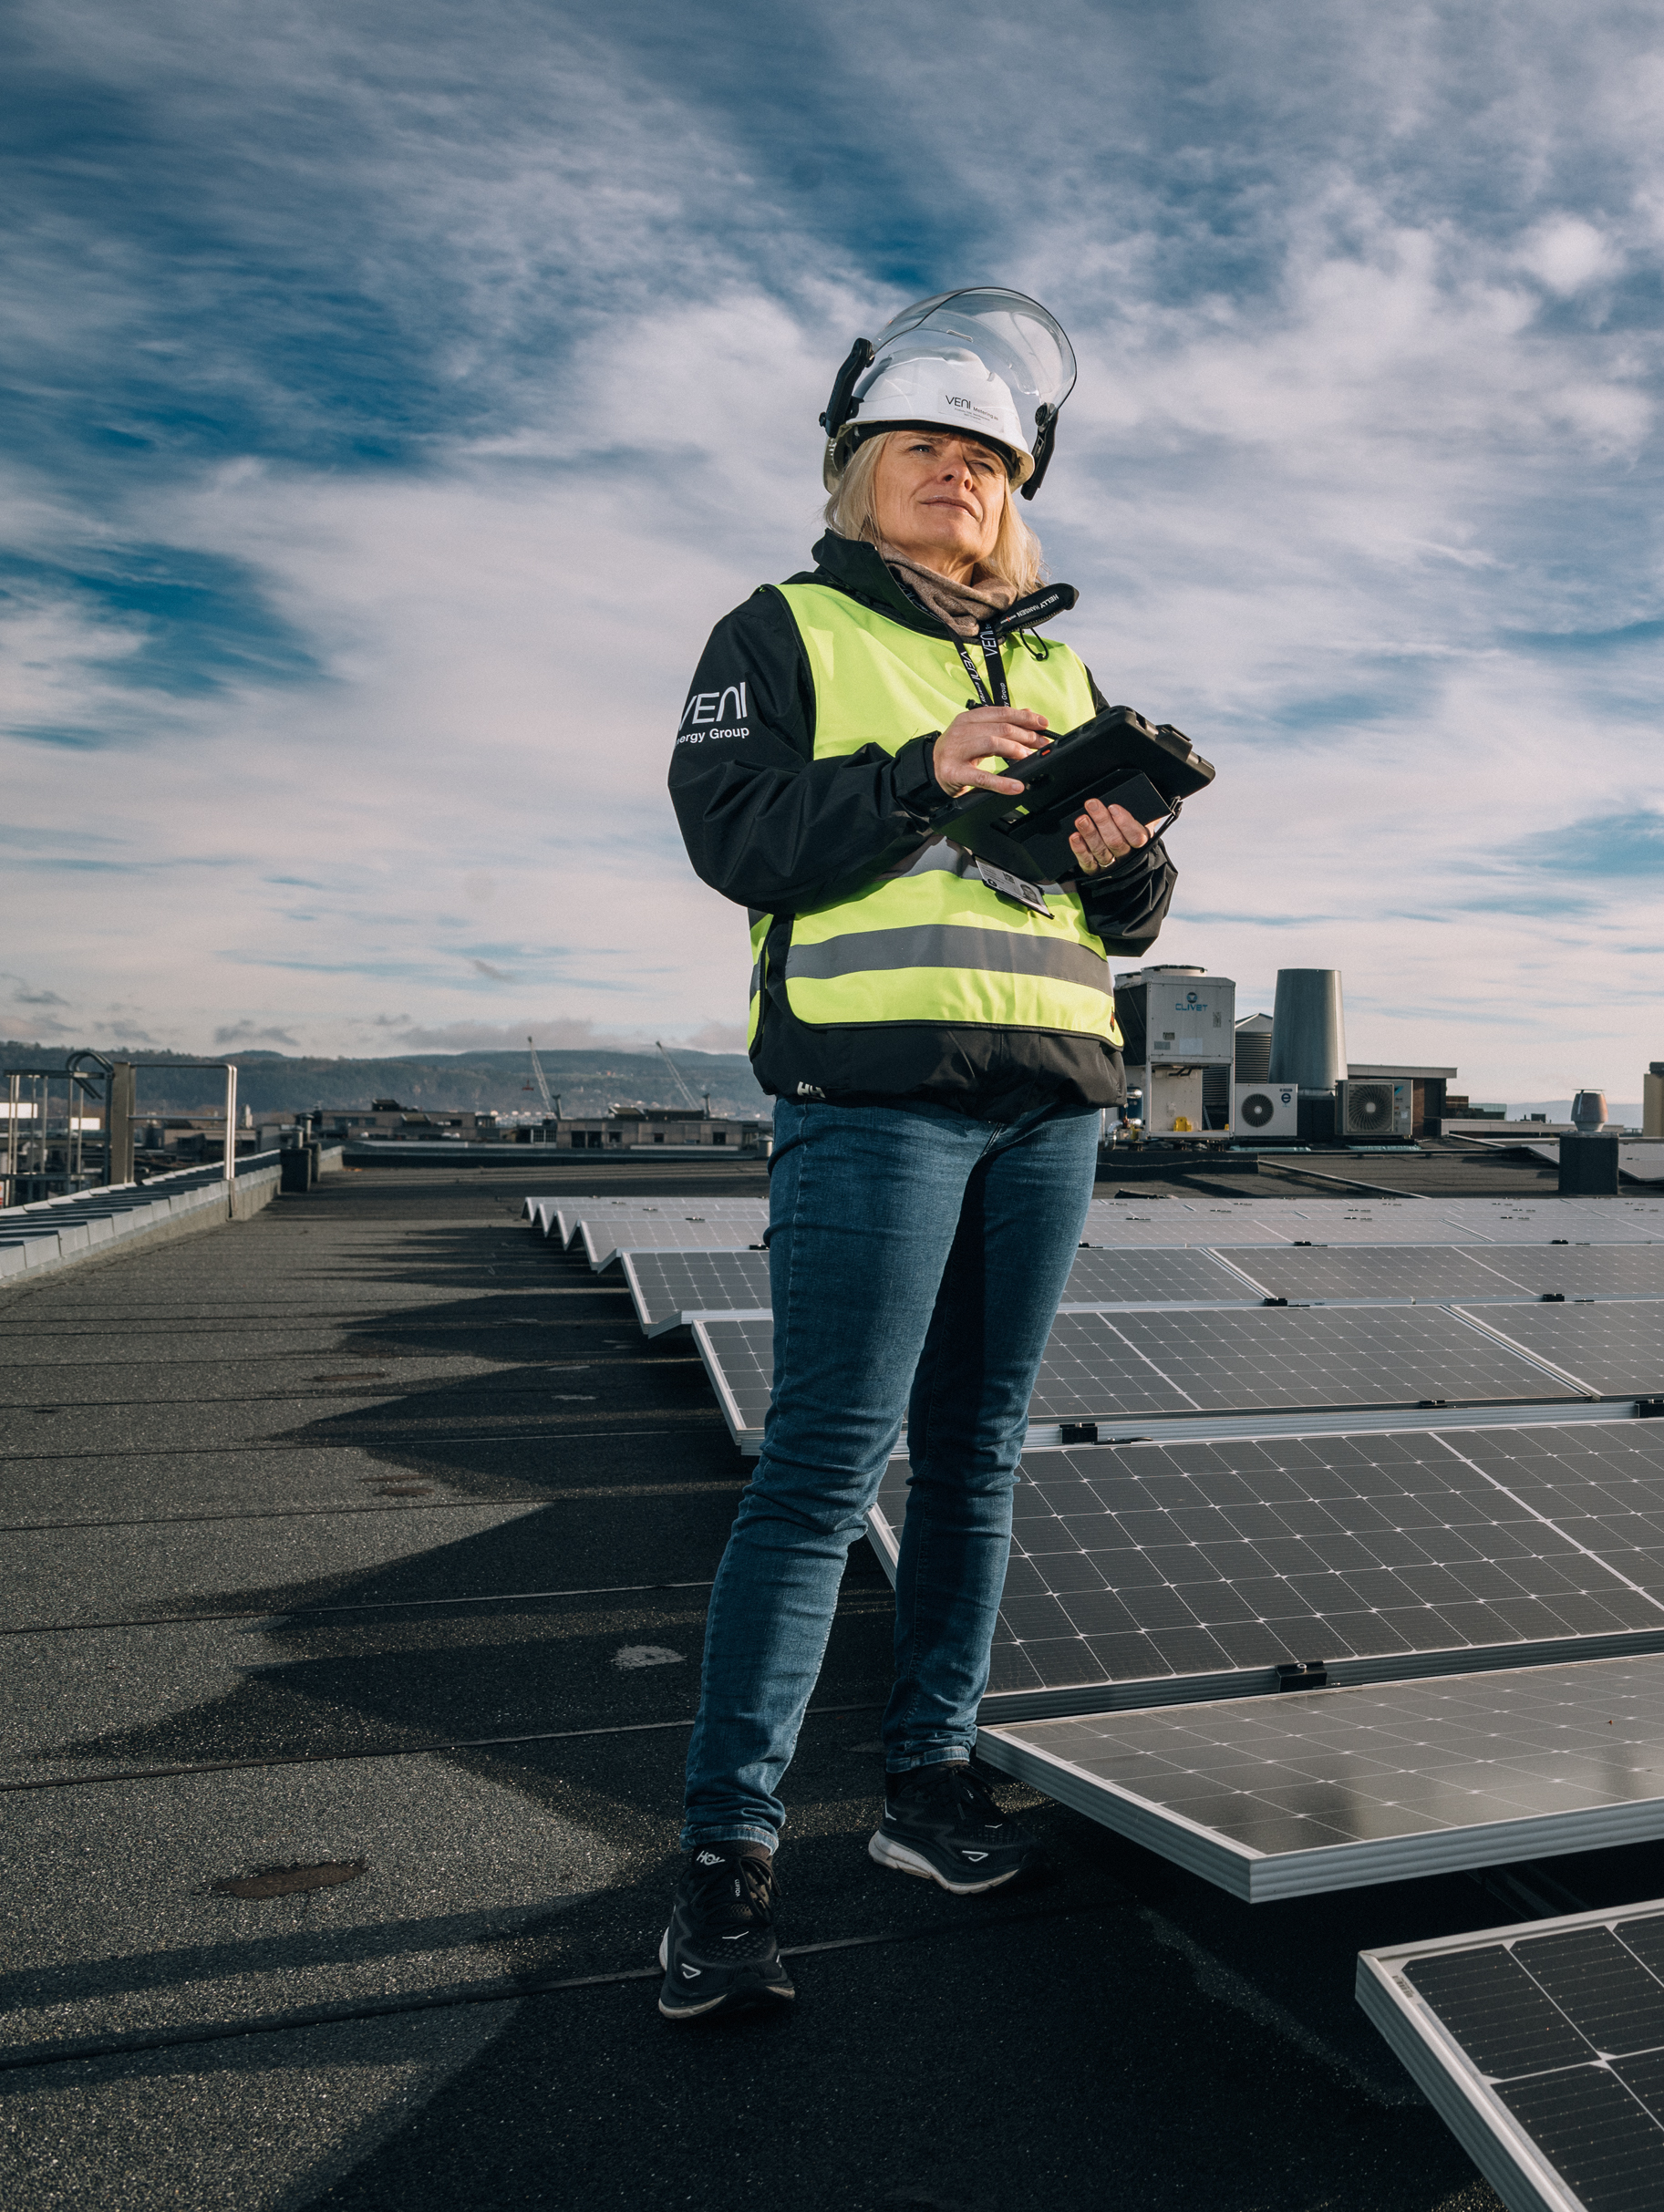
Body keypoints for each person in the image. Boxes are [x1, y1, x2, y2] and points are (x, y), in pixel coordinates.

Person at [654, 288, 1181, 2021]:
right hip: (875, 1102)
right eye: (923, 451)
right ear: (857, 471)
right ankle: (724, 1860)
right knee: (822, 1471)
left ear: (1018, 489)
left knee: (975, 1459)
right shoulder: (781, 629)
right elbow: (735, 836)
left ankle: (925, 1786)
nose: (956, 475)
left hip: (1048, 1102)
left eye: (983, 458)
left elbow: (1127, 915)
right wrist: (918, 767)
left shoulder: (1055, 660)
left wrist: (1122, 858)